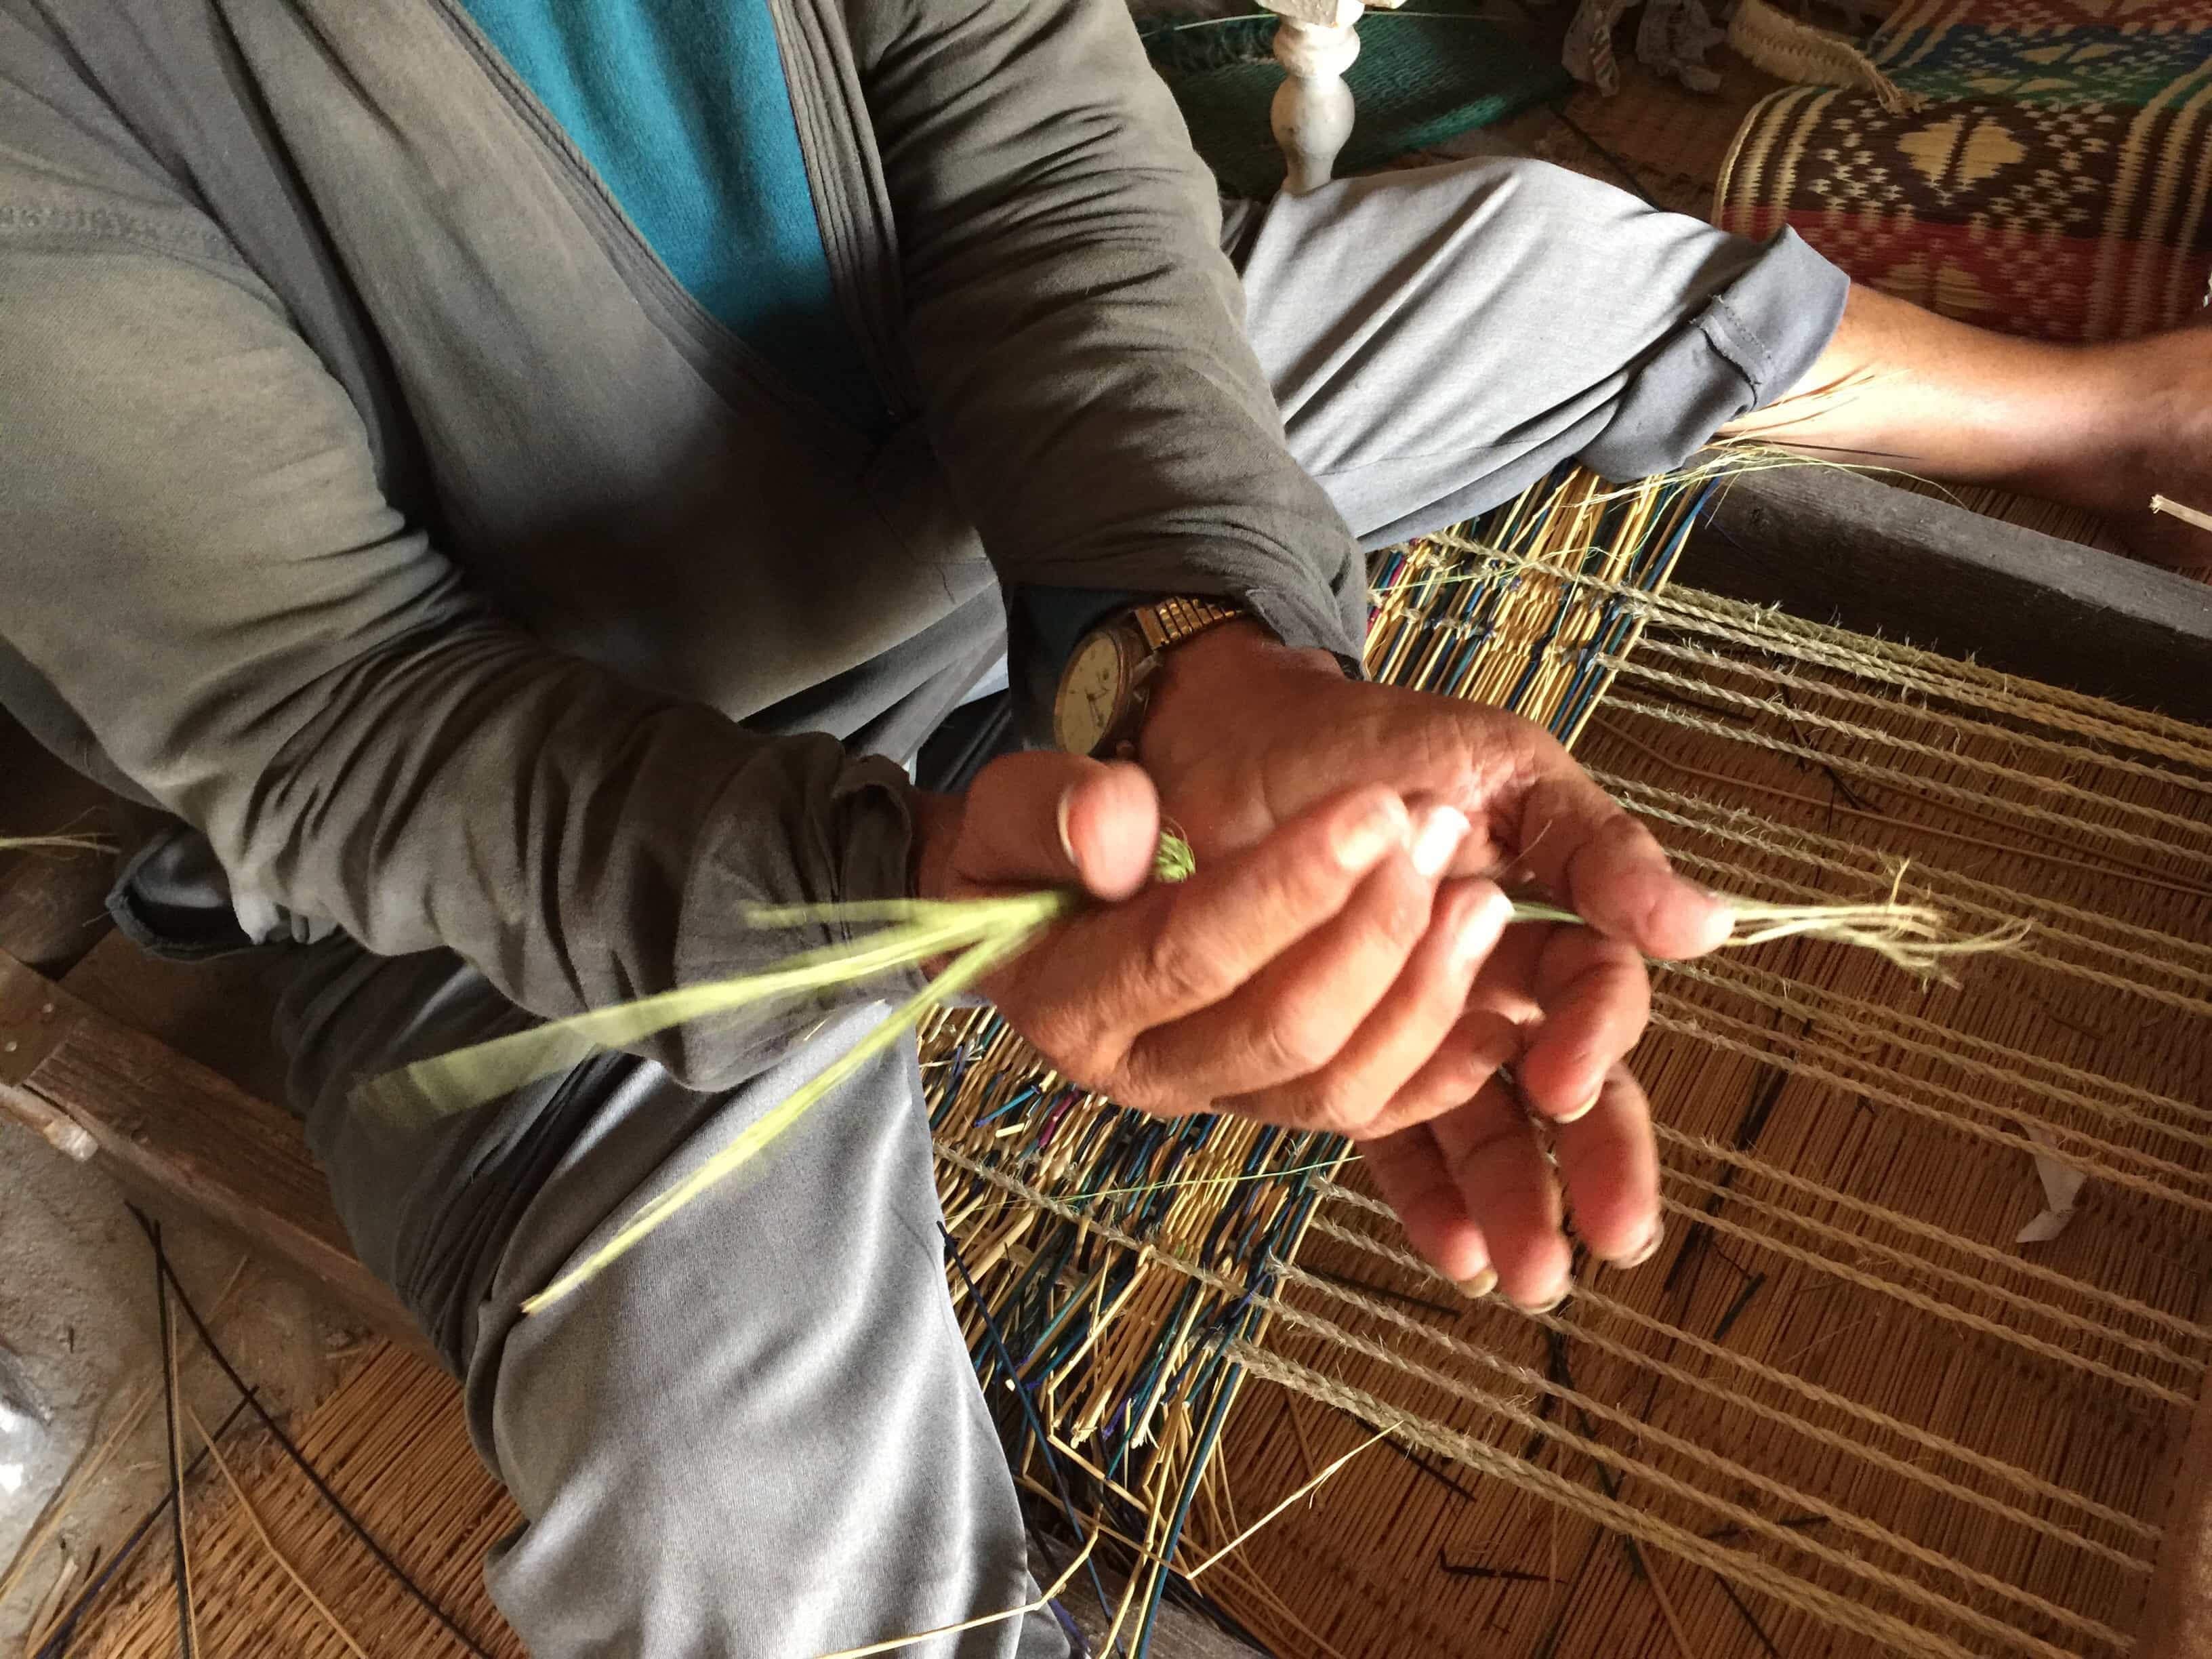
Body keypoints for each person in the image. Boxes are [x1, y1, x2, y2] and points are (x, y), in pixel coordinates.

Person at [1, 2, 2204, 1653]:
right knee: (735, 1532)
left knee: (1540, 248)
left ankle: (2113, 423)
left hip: (1014, 496)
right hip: (560, 789)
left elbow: (1028, 126)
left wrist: (1193, 649)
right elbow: (339, 721)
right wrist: (923, 876)